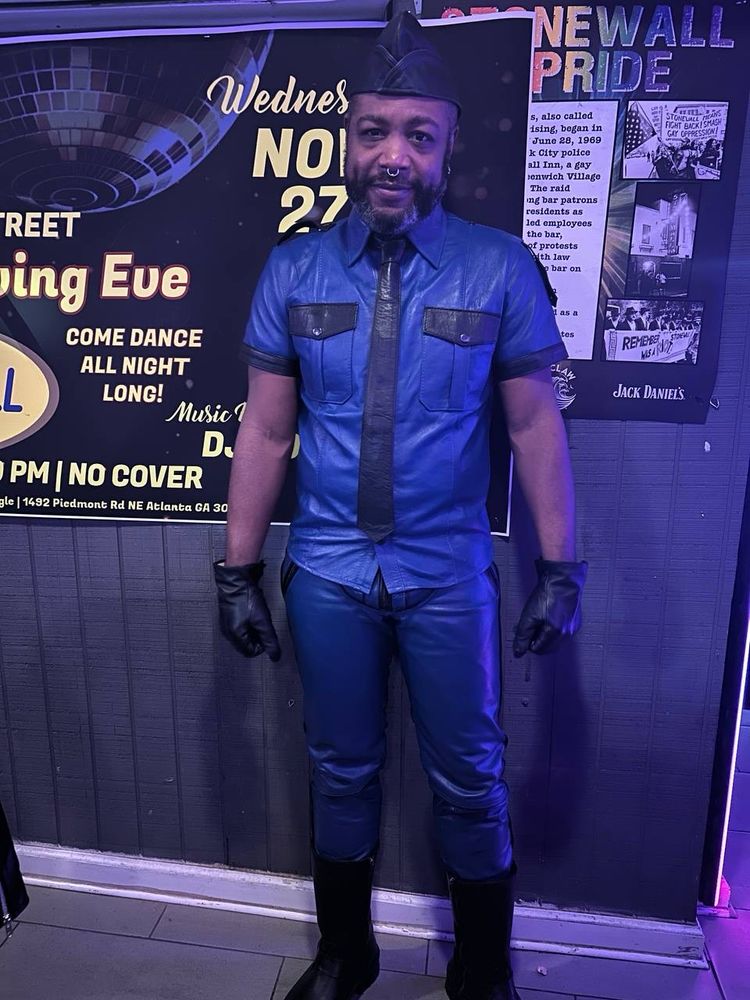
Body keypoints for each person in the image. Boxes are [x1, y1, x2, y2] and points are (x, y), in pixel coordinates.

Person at [214, 14, 587, 1000]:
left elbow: (535, 426)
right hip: (329, 572)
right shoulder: (294, 270)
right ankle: (348, 953)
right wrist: (235, 570)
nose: (393, 154)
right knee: (339, 769)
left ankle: (482, 968)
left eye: (418, 135)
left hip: (447, 574)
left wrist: (562, 568)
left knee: (471, 774)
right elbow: (264, 432)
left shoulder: (498, 267)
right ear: (347, 137)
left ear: (448, 148)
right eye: (374, 130)